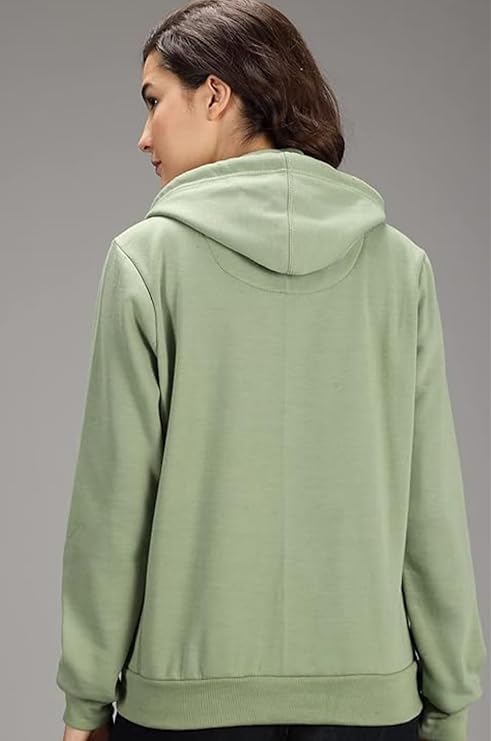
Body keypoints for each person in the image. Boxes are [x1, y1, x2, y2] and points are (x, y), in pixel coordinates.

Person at [55, 1, 487, 740]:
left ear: (215, 95)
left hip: (186, 708)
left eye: (154, 100)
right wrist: (450, 699)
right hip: (369, 704)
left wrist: (87, 700)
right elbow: (431, 508)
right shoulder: (399, 266)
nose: (144, 135)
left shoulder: (145, 262)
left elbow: (113, 506)